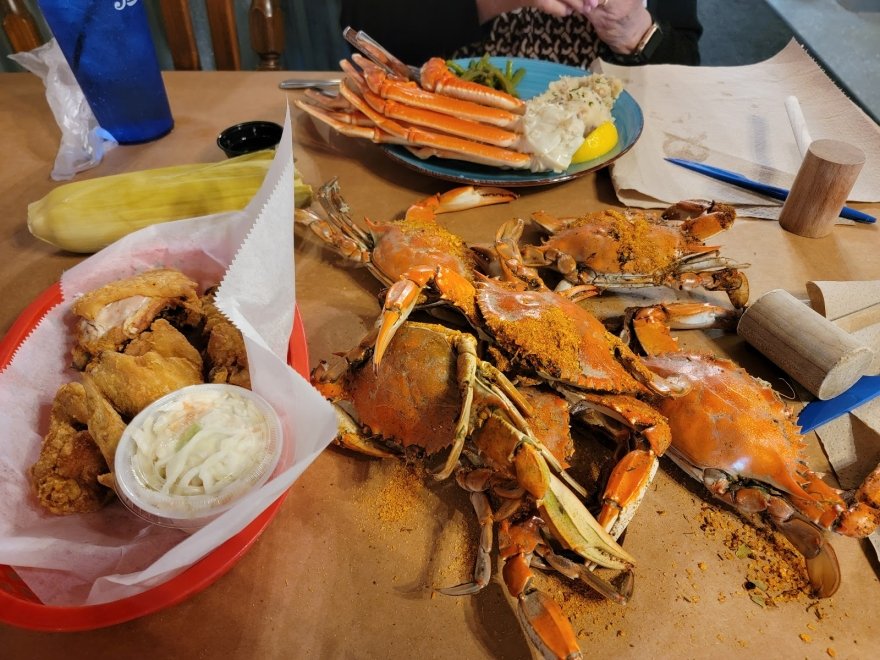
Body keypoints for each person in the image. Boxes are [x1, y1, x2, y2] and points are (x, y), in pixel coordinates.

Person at [339, 0, 702, 69]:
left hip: (609, 166)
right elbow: (367, 32)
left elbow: (684, 59)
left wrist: (633, 31)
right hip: (456, 138)